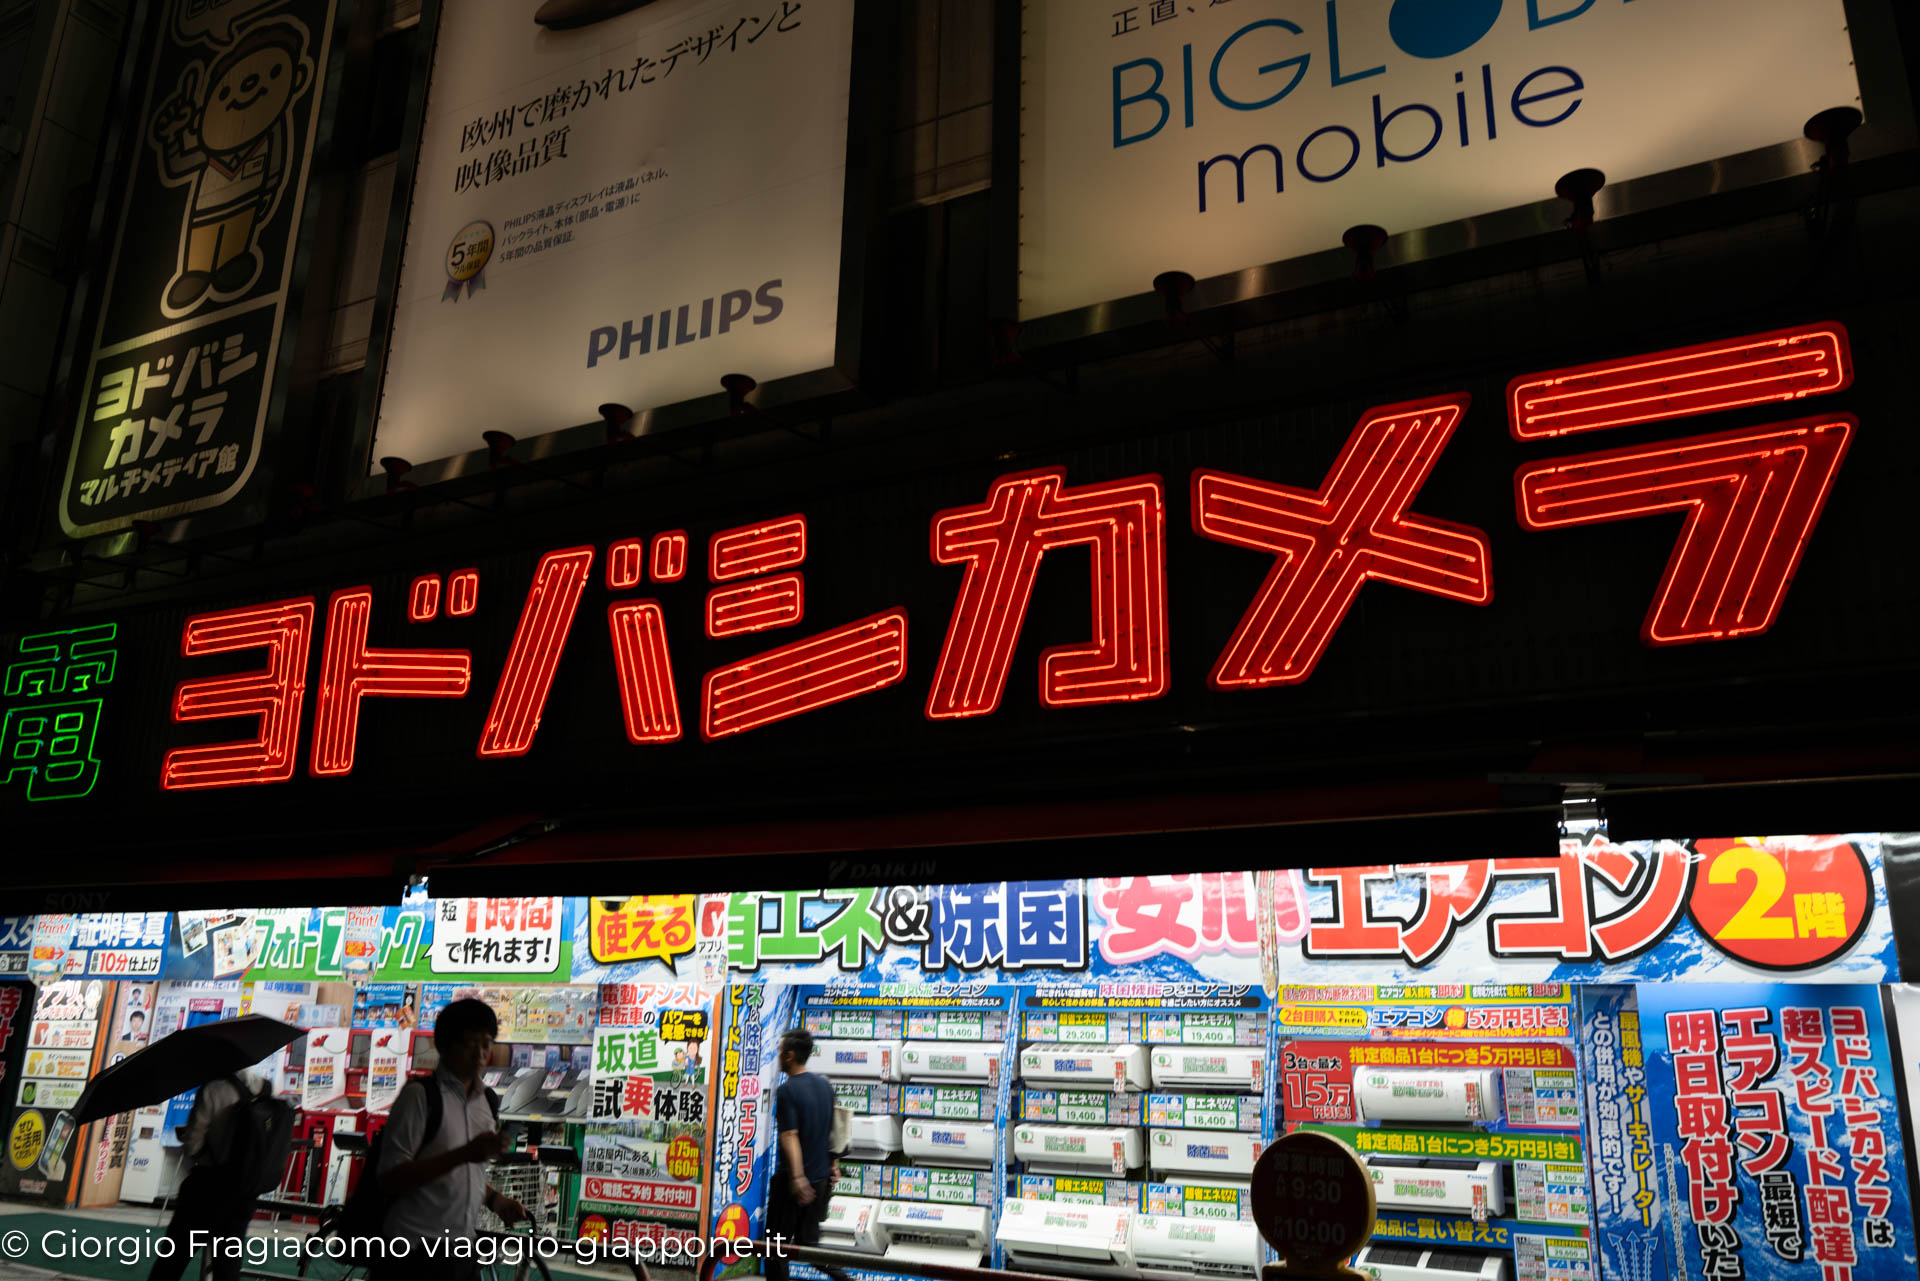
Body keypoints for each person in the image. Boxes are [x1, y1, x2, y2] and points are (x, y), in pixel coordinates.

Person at [375, 999, 526, 1281]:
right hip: (412, 1252)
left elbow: (464, 1174)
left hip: (461, 1249)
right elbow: (390, 1177)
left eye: (486, 1043)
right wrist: (464, 1154)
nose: (481, 1053)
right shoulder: (420, 1097)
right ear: (444, 1045)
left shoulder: (487, 1102)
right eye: (471, 1043)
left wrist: (495, 1200)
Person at [148, 1068, 269, 1281]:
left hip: (207, 1188)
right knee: (227, 1266)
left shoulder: (214, 1089)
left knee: (173, 1259)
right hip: (244, 1192)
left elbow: (193, 1144)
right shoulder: (267, 1089)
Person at [765, 1030, 847, 1281]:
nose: (778, 1056)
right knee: (809, 1245)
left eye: (780, 1051)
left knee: (775, 1248)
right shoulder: (824, 1084)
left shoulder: (787, 1091)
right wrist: (833, 1164)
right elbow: (837, 1128)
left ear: (789, 1056)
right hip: (820, 1180)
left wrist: (797, 1178)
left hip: (793, 1184)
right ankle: (846, 1279)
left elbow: (790, 1136)